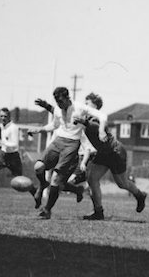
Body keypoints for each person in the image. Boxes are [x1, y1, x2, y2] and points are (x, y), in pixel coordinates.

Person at [28, 87, 101, 219]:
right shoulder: (57, 109)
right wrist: (40, 129)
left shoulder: (80, 107)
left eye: (61, 101)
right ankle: (43, 184)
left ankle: (47, 210)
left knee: (56, 180)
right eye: (57, 102)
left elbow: (98, 115)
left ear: (68, 98)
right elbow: (54, 125)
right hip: (58, 141)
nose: (59, 104)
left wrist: (95, 125)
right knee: (38, 167)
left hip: (72, 144)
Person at [73, 92, 147, 220]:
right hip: (103, 154)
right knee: (91, 179)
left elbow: (97, 126)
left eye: (87, 103)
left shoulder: (96, 119)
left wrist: (84, 122)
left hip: (115, 152)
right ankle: (98, 211)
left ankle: (140, 195)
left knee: (122, 183)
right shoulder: (87, 119)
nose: (84, 106)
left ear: (95, 106)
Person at [0, 107, 37, 202]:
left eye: (5, 116)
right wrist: (0, 145)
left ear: (9, 117)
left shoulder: (14, 127)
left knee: (23, 181)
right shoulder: (2, 126)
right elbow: (6, 143)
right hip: (2, 155)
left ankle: (37, 197)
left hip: (13, 157)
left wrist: (1, 141)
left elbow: (14, 145)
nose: (3, 118)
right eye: (1, 116)